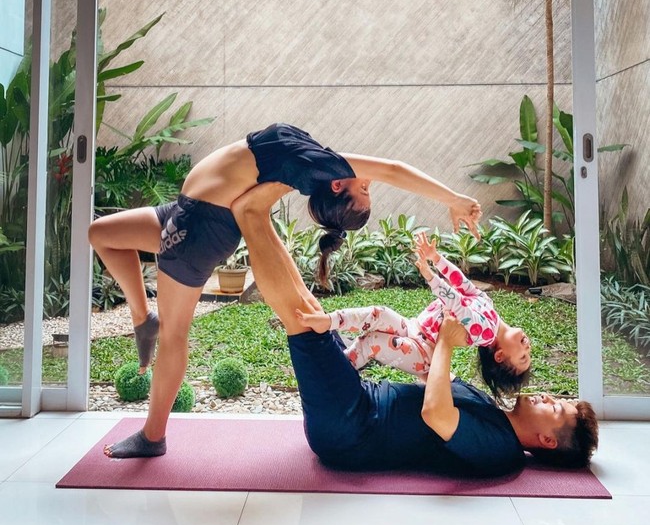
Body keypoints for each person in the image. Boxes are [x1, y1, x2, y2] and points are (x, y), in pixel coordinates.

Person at [92, 122, 481, 459]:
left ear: (338, 184)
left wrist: (455, 200)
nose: (368, 182)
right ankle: (142, 317)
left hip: (199, 230)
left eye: (363, 188)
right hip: (182, 211)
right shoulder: (312, 162)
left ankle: (152, 436)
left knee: (174, 335)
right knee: (101, 234)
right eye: (367, 188)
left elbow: (393, 169)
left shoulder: (317, 166)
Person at [226, 182, 598, 477]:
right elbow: (428, 371)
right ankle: (254, 215)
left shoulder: (501, 450)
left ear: (548, 440)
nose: (547, 396)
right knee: (311, 310)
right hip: (360, 400)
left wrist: (446, 343)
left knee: (301, 320)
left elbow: (436, 414)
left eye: (556, 408)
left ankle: (250, 215)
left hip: (351, 427)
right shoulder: (492, 410)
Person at [297, 231, 531, 400]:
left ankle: (335, 376)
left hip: (424, 352)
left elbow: (457, 304)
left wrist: (431, 276)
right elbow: (462, 283)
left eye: (522, 357)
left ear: (500, 355)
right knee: (379, 313)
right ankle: (328, 322)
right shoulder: (489, 306)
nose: (527, 348)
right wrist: (436, 258)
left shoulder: (486, 333)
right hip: (413, 327)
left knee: (372, 342)